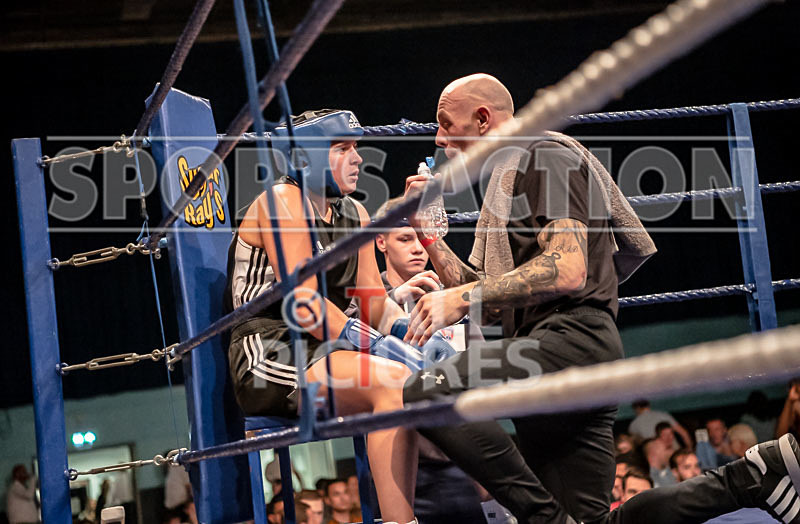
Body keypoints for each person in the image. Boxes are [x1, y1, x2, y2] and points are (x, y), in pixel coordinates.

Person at [399, 73, 800, 524]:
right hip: (549, 348)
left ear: (482, 118)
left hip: (568, 342)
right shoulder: (508, 179)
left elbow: (567, 267)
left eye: (445, 123)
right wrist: (430, 237)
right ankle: (749, 478)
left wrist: (463, 296)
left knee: (428, 389)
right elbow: (491, 305)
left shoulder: (544, 157)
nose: (438, 139)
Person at [224, 109, 453, 524]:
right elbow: (306, 305)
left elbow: (374, 303)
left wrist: (414, 331)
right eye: (342, 148)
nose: (358, 158)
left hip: (327, 346)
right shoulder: (283, 201)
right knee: (392, 381)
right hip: (270, 350)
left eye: (356, 147)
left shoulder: (356, 215)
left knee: (427, 378)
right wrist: (380, 345)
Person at [628, 400, 692, 446]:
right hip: (676, 454)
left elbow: (636, 443)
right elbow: (683, 433)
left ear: (636, 408)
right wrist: (690, 448)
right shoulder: (664, 415)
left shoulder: (633, 425)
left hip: (655, 457)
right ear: (648, 405)